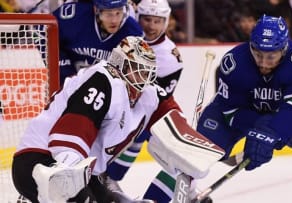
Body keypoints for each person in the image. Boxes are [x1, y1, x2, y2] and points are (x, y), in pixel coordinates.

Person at [11, 36, 224, 203]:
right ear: (120, 65)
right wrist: (66, 171)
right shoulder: (103, 79)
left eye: (148, 73)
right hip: (42, 160)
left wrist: (192, 155)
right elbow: (75, 126)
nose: (145, 80)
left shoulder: (148, 94)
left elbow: (173, 123)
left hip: (83, 172)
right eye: (139, 72)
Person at [197, 15, 292, 203]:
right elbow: (230, 111)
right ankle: (162, 197)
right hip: (242, 113)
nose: (263, 62)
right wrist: (259, 130)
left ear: (284, 49)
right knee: (194, 153)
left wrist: (271, 132)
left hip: (285, 114)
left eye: (271, 56)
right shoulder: (235, 62)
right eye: (258, 54)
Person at [103, 0, 186, 202]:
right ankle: (108, 178)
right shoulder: (124, 36)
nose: (151, 26)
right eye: (146, 19)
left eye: (157, 21)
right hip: (119, 102)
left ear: (166, 22)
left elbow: (158, 99)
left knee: (178, 153)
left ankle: (185, 188)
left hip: (153, 108)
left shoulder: (169, 57)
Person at [52, 0, 143, 85]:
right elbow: (43, 33)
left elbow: (134, 74)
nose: (114, 20)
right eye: (108, 14)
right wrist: (63, 69)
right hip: (65, 83)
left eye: (118, 13)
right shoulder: (73, 17)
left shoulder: (133, 33)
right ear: (96, 10)